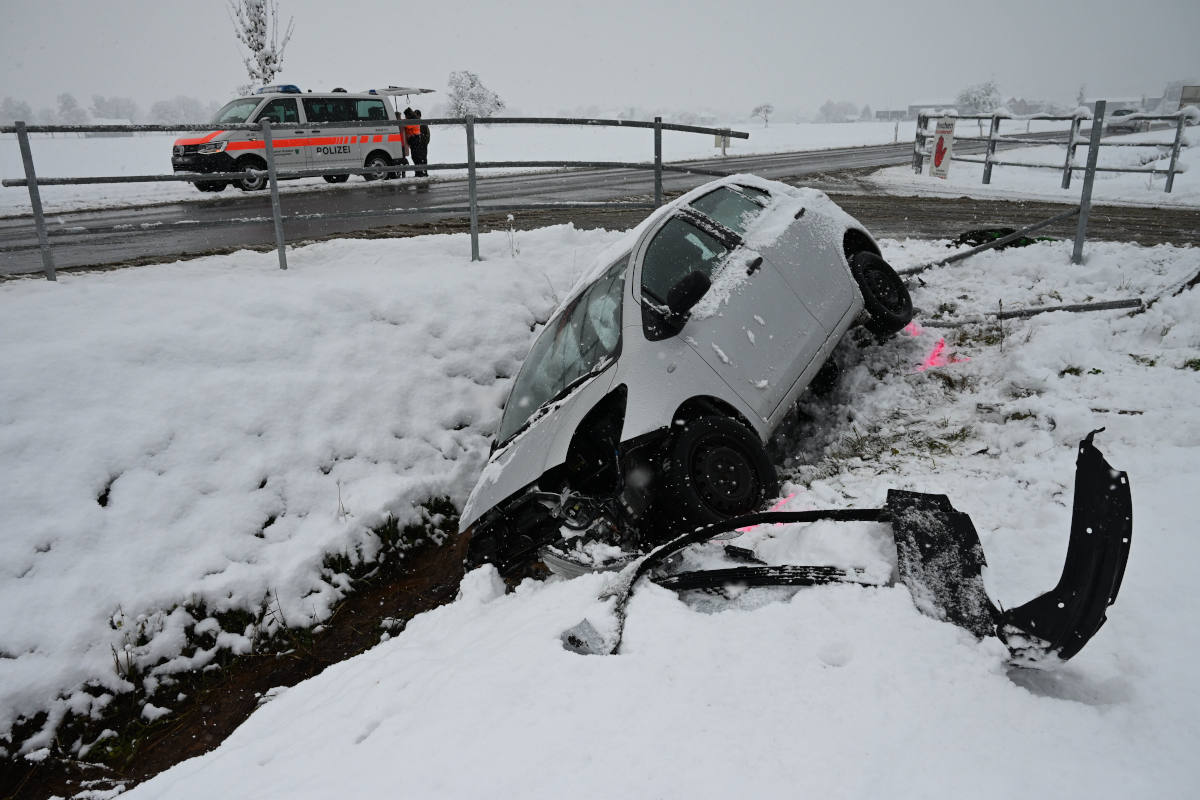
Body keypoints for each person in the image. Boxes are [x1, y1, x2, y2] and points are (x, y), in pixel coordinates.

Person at [408, 109, 430, 178]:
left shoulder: (422, 124)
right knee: (416, 158)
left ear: (419, 116)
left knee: (422, 158)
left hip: (421, 145)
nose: (415, 117)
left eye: (416, 115)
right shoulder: (415, 124)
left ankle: (423, 172)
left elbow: (427, 135)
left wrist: (424, 143)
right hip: (416, 145)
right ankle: (419, 172)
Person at [393, 110, 411, 178]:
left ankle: (399, 172)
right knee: (402, 160)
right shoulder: (403, 123)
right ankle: (403, 173)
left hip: (397, 145)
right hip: (402, 144)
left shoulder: (393, 123)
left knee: (397, 160)